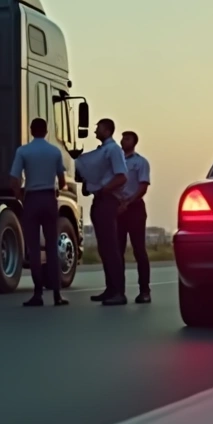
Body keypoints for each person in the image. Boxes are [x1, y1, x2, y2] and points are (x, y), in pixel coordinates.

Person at [10, 118, 69, 307]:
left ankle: (37, 294)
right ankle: (57, 294)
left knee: (34, 249)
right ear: (46, 130)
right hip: (49, 199)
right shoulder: (54, 151)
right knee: (52, 247)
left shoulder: (23, 151)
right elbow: (62, 180)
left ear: (31, 130)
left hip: (32, 199)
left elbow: (14, 178)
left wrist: (20, 196)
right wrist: (57, 188)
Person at [74, 118, 129, 306]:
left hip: (107, 200)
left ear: (106, 130)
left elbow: (122, 176)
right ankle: (111, 289)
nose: (95, 130)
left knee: (111, 247)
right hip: (100, 199)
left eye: (98, 128)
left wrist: (104, 189)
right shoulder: (103, 151)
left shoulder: (113, 150)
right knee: (104, 247)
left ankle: (119, 292)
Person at [117, 131, 152, 304]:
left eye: (127, 138)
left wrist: (129, 202)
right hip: (118, 209)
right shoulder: (116, 162)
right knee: (117, 251)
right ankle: (118, 290)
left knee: (139, 250)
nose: (123, 141)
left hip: (135, 208)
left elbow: (143, 186)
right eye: (122, 138)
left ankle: (144, 290)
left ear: (134, 142)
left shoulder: (140, 162)